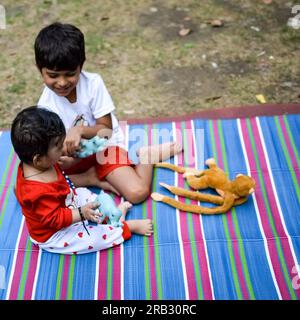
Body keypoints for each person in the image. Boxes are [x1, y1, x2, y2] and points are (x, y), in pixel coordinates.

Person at [34, 22, 182, 204]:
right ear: (40, 70)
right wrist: (64, 156)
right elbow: (53, 148)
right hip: (76, 160)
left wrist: (79, 131)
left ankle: (145, 156)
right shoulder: (45, 107)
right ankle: (90, 178)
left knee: (138, 193)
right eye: (53, 75)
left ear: (81, 65)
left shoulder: (93, 84)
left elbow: (106, 130)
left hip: (105, 149)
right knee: (33, 184)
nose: (62, 82)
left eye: (70, 74)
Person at [12, 107, 153, 255]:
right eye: (58, 146)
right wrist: (81, 213)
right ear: (38, 159)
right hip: (55, 233)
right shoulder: (35, 191)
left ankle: (112, 215)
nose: (62, 149)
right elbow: (55, 219)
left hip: (67, 202)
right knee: (92, 238)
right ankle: (125, 227)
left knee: (83, 194)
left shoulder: (38, 163)